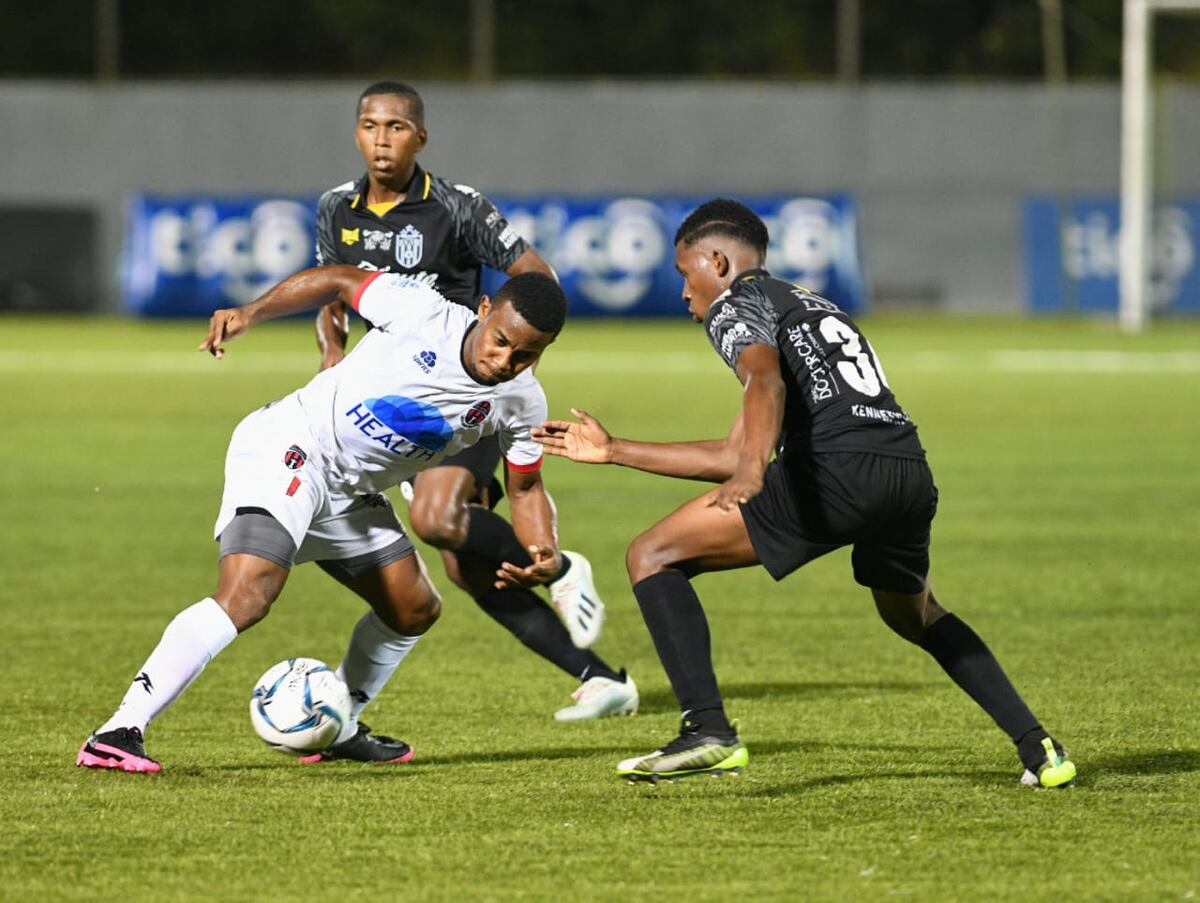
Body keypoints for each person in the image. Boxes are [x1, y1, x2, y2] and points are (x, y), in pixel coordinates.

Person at [533, 199, 1077, 787]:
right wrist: (616, 450)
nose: (686, 294)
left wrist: (754, 470)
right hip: (905, 470)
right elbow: (729, 452)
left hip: (836, 469)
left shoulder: (735, 304)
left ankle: (708, 731)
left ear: (717, 261)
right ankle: (1039, 747)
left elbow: (762, 379)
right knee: (915, 613)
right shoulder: (808, 303)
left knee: (651, 554)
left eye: (685, 273)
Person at [76, 267, 621, 773]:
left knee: (414, 608)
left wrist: (544, 550)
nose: (506, 361)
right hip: (292, 447)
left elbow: (526, 488)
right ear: (484, 309)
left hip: (351, 493)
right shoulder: (418, 313)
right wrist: (252, 312)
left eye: (525, 356)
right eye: (501, 341)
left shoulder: (520, 401)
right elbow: (338, 279)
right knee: (249, 593)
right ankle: (119, 730)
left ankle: (338, 722)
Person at [311, 80, 636, 722]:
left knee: (435, 518)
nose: (382, 139)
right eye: (371, 125)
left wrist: (518, 361)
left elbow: (537, 278)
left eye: (397, 127)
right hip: (394, 399)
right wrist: (330, 357)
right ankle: (602, 678)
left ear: (419, 137)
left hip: (466, 394)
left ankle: (562, 564)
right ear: (356, 132)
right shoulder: (334, 209)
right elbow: (334, 295)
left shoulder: (457, 208)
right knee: (468, 568)